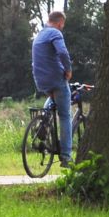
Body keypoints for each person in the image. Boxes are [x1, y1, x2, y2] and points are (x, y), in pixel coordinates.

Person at [30, 11, 74, 165]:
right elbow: (62, 52)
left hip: (41, 81)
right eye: (62, 25)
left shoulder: (39, 36)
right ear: (60, 23)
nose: (62, 28)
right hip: (56, 78)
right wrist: (68, 70)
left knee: (52, 100)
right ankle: (66, 157)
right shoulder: (55, 33)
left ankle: (43, 122)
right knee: (65, 115)